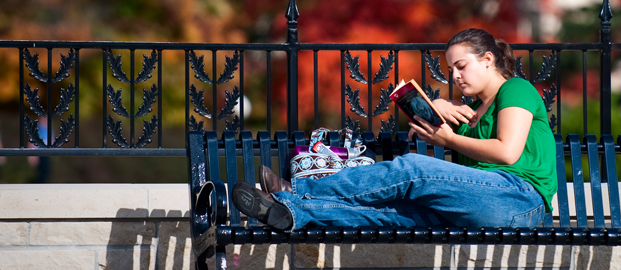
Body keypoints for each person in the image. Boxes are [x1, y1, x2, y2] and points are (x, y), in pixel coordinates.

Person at [232, 28, 557, 231]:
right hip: (480, 205)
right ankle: (290, 212)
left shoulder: (515, 89)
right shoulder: (470, 117)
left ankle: (297, 191)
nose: (456, 76)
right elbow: (458, 177)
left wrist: (448, 139)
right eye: (450, 70)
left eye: (462, 67)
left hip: (518, 200)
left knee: (414, 167)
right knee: (388, 213)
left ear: (488, 60)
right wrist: (434, 116)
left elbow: (507, 151)